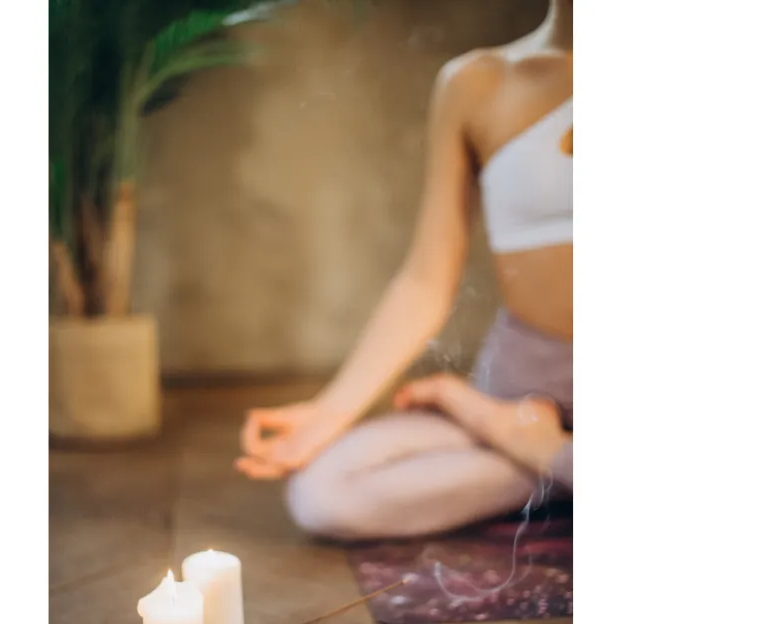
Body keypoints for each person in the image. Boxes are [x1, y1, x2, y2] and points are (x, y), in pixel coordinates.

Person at [236, 0, 573, 541]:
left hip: (518, 422)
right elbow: (425, 278)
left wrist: (542, 446)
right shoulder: (477, 83)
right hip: (516, 392)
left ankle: (549, 457)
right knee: (325, 493)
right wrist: (330, 412)